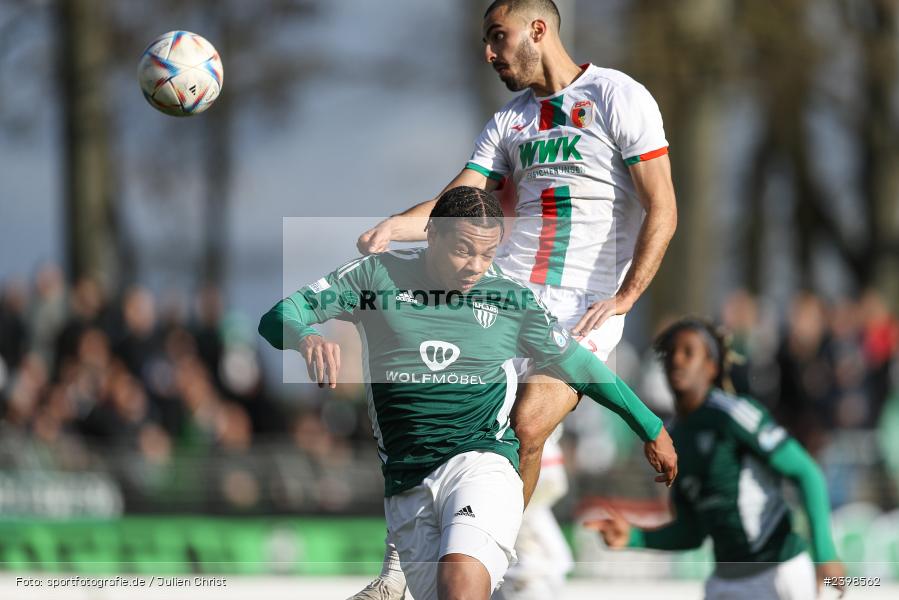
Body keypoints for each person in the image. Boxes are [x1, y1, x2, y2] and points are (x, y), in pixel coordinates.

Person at [355, 0, 677, 597]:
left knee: (526, 426)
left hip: (587, 306)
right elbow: (459, 198)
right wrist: (393, 227)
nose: (489, 53)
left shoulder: (617, 97)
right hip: (505, 299)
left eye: (496, 37)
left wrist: (628, 296)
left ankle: (489, 567)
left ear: (538, 29)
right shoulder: (510, 121)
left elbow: (664, 207)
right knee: (430, 395)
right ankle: (406, 563)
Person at [260, 187, 676, 600]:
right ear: (432, 235)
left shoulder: (510, 299)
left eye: (488, 254)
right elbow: (280, 314)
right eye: (463, 249)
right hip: (408, 481)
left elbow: (582, 367)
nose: (475, 266)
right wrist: (305, 337)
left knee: (460, 584)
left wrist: (650, 427)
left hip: (482, 464)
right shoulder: (375, 275)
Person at [589, 318, 845, 599]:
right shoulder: (670, 439)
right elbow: (691, 530)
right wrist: (635, 536)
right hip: (725, 582)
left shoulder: (735, 414)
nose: (677, 360)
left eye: (688, 352)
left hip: (779, 573)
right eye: (671, 352)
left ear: (711, 366)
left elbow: (806, 472)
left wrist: (825, 554)